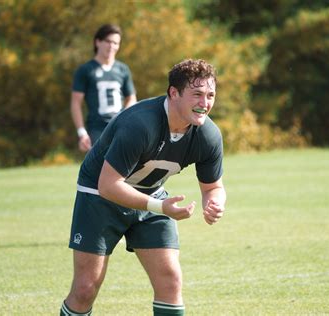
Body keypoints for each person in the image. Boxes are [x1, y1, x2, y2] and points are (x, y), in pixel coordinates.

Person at [60, 59, 226, 316]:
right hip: (99, 196)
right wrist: (159, 207)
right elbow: (107, 185)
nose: (205, 103)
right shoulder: (140, 124)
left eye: (210, 95)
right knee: (85, 289)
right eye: (197, 94)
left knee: (170, 280)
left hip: (152, 196)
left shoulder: (208, 135)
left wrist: (215, 202)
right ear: (174, 93)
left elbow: (213, 186)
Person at [71, 24, 137, 152]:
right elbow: (75, 103)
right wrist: (81, 132)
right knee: (100, 168)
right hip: (97, 129)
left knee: (127, 167)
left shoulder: (123, 69)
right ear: (97, 42)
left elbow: (131, 98)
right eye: (108, 41)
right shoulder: (85, 70)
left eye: (115, 43)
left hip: (120, 127)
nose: (112, 46)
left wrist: (125, 119)